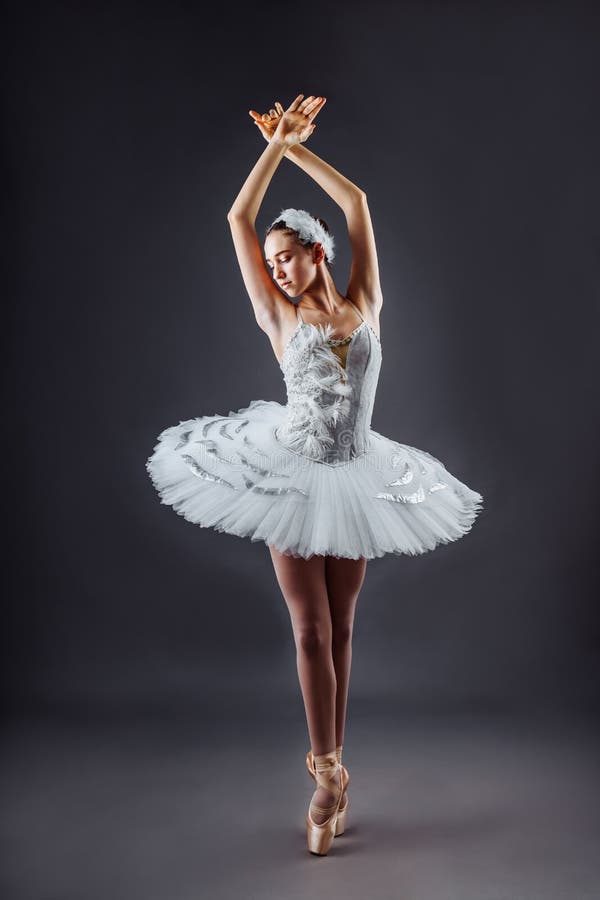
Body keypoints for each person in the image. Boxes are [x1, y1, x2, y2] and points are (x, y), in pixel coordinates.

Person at [146, 93, 484, 856]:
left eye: (286, 256)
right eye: (270, 266)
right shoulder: (280, 318)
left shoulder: (366, 302)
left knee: (345, 624)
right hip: (293, 473)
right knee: (309, 628)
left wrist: (297, 146)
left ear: (315, 249)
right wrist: (268, 152)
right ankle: (326, 774)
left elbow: (357, 200)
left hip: (358, 471)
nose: (277, 269)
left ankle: (336, 768)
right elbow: (238, 221)